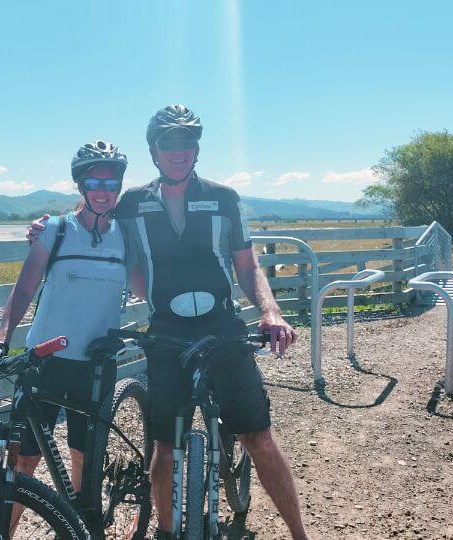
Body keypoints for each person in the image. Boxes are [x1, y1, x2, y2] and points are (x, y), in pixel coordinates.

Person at [30, 105, 309, 539]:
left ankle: (299, 533)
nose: (178, 151)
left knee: (259, 438)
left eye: (187, 143)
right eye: (168, 143)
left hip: (222, 327)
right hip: (167, 333)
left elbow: (247, 265)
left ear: (197, 150)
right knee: (164, 447)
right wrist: (46, 227)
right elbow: (90, 212)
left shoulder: (224, 199)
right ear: (154, 151)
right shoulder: (134, 204)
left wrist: (271, 312)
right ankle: (165, 531)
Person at [0, 140, 135, 532]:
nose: (103, 190)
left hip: (95, 364)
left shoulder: (127, 236)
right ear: (81, 185)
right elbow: (25, 287)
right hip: (44, 360)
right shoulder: (55, 229)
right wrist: (1, 338)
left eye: (111, 183)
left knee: (82, 455)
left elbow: (149, 281)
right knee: (23, 460)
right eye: (94, 181)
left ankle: (77, 528)